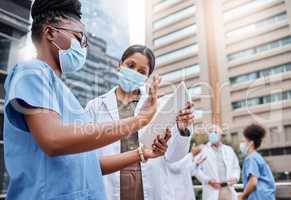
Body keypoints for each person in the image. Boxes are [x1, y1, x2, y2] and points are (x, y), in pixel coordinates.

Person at [3, 1, 168, 199]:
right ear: (50, 33)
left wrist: (141, 154)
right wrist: (138, 121)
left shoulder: (65, 96)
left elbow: (89, 165)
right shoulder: (31, 73)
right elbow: (53, 140)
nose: (84, 47)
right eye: (79, 37)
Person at [86, 45, 195, 200]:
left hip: (148, 187)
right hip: (109, 187)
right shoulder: (95, 107)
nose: (134, 73)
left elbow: (174, 157)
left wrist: (183, 129)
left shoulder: (160, 106)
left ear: (147, 77)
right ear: (120, 65)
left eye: (141, 71)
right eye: (130, 66)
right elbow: (86, 155)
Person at [195, 125, 240, 200]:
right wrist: (208, 180)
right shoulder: (203, 150)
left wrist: (235, 177)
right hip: (211, 190)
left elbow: (236, 167)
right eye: (210, 132)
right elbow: (196, 169)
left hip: (227, 189)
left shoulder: (229, 150)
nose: (212, 134)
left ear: (221, 135)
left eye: (215, 132)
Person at [238, 124, 276, 200]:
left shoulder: (251, 158)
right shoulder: (257, 157)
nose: (241, 144)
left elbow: (253, 182)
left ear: (251, 143)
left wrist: (242, 197)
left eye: (243, 141)